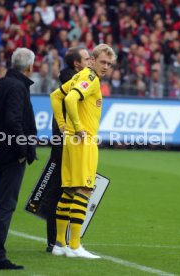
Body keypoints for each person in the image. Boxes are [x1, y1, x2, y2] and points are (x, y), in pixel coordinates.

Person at [50, 44, 117, 259]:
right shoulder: (91, 78)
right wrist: (78, 129)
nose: (106, 67)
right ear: (92, 60)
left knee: (69, 190)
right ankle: (75, 245)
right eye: (103, 62)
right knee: (85, 190)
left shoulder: (80, 76)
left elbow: (55, 96)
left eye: (109, 63)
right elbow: (69, 99)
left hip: (70, 140)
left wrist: (63, 126)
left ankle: (59, 244)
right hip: (83, 141)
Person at [0, 47, 37, 270]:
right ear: (30, 67)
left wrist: (1, 134)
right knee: (6, 204)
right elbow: (14, 121)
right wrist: (23, 151)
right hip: (13, 153)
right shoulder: (18, 88)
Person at [45, 46, 90, 253]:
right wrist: (68, 127)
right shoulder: (75, 80)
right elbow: (66, 100)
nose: (90, 61)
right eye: (87, 58)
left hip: (65, 138)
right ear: (77, 64)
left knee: (64, 188)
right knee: (64, 188)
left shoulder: (74, 77)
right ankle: (58, 241)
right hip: (68, 140)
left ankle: (58, 241)